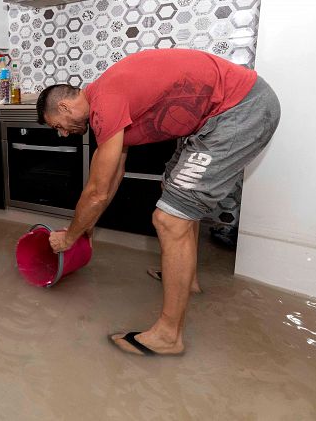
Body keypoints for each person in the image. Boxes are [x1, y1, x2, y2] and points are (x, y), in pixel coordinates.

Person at [36, 48, 280, 356]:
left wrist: (70, 237)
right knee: (175, 192)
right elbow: (112, 177)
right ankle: (187, 279)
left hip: (241, 109)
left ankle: (168, 336)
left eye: (57, 124)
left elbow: (97, 192)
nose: (61, 133)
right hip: (219, 117)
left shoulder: (106, 101)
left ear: (64, 106)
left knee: (170, 218)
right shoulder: (106, 103)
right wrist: (86, 228)